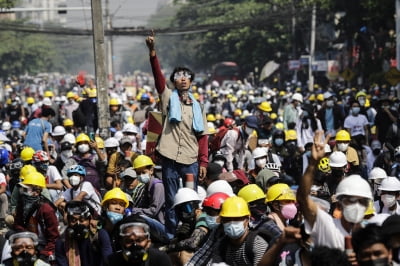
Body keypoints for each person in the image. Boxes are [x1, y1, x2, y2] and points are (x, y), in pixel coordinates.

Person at [146, 31, 209, 238]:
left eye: (187, 76)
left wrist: (203, 162)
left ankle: (190, 233)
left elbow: (202, 136)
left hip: (190, 159)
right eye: (179, 76)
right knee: (172, 198)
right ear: (174, 80)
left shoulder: (198, 106)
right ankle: (172, 237)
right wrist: (152, 52)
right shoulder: (167, 98)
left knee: (190, 197)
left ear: (191, 81)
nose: (183, 79)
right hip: (170, 158)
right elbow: (158, 77)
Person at [297, 130, 373, 250]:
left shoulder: (372, 233)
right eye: (351, 200)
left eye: (362, 201)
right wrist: (312, 164)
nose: (356, 206)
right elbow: (303, 198)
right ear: (340, 202)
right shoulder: (328, 227)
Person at [13, 172, 59, 261]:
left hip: (44, 246)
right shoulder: (22, 202)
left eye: (26, 189)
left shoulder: (46, 209)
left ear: (36, 192)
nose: (22, 191)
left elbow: (53, 237)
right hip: (28, 242)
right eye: (23, 189)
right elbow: (18, 223)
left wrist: (45, 253)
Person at [211, 196, 269, 265]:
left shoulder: (257, 244)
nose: (232, 223)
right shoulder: (221, 244)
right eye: (227, 219)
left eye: (237, 219)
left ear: (247, 220)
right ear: (222, 221)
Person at [55, 201, 112, 266]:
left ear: (90, 219)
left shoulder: (100, 234)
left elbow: (107, 259)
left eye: (82, 220)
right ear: (68, 220)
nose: (78, 224)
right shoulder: (62, 240)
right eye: (73, 220)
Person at [107, 214, 172, 265]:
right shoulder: (111, 262)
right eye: (129, 241)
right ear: (121, 242)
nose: (134, 245)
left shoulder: (159, 259)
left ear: (148, 242)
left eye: (139, 240)